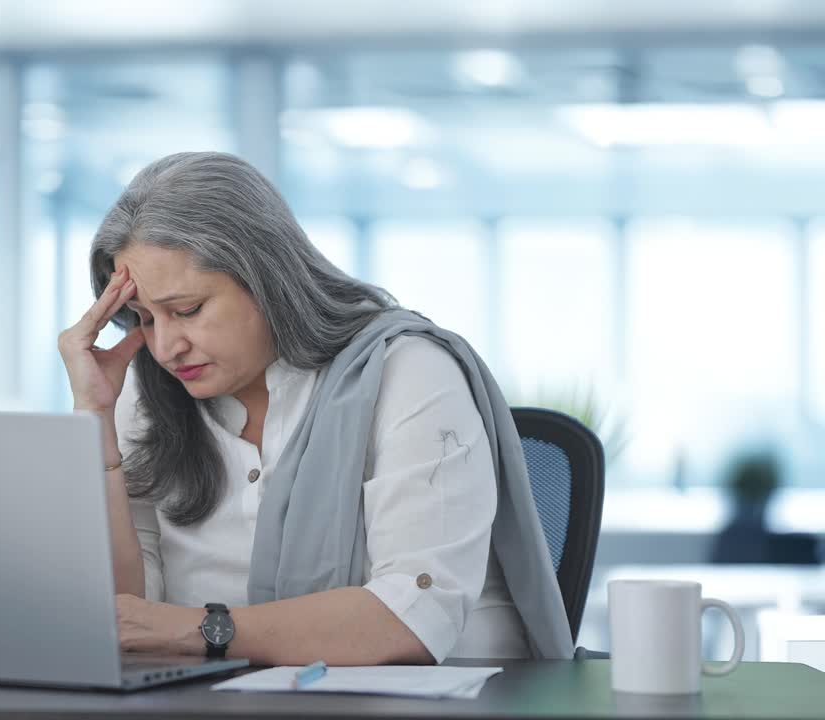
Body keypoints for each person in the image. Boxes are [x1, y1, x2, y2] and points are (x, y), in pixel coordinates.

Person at [57, 151, 571, 667]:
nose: (166, 346)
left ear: (266, 278)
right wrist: (94, 420)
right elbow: (126, 617)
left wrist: (199, 629)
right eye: (144, 318)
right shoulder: (145, 391)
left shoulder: (406, 371)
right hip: (222, 702)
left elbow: (414, 615)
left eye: (187, 310)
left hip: (439, 699)